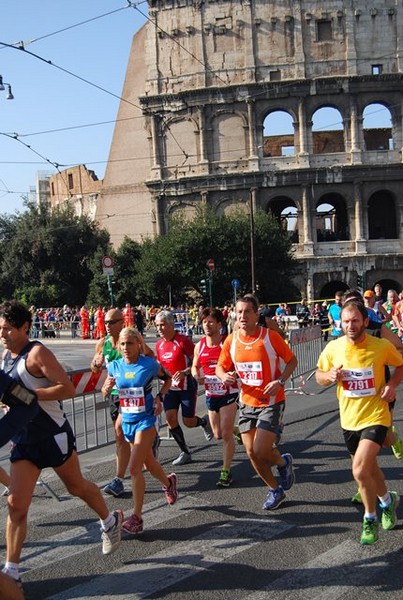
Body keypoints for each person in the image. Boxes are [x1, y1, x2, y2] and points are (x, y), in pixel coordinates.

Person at [0, 301, 123, 591]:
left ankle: (109, 521)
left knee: (76, 486)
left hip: (53, 434)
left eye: (7, 328)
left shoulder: (37, 352)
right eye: (0, 328)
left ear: (24, 328)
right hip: (25, 439)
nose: (2, 333)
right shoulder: (6, 356)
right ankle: (12, 570)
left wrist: (29, 396)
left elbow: (66, 388)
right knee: (16, 504)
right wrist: (11, 406)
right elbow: (11, 393)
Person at [316, 299, 403, 545]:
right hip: (349, 419)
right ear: (340, 323)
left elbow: (400, 364)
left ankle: (370, 517)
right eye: (346, 321)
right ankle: (388, 501)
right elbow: (320, 375)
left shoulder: (381, 346)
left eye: (355, 320)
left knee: (359, 470)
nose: (350, 325)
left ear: (365, 321)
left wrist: (392, 384)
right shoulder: (333, 348)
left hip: (376, 415)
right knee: (369, 470)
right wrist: (329, 376)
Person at [216, 295, 298, 510]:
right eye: (239, 311)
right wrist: (223, 376)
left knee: (261, 449)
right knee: (251, 452)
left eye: (247, 312)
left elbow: (292, 361)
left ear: (256, 314)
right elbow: (220, 367)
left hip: (271, 401)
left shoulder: (270, 337)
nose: (242, 316)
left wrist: (279, 382)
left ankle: (282, 462)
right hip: (246, 402)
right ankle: (275, 489)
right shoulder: (231, 340)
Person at [102, 327, 177, 535]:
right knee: (149, 463)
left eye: (130, 343)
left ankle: (137, 517)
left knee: (135, 468)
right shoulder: (114, 366)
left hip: (146, 420)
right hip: (128, 420)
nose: (126, 348)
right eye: (123, 344)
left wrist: (161, 397)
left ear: (139, 345)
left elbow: (168, 378)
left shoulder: (149, 365)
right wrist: (106, 388)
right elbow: (105, 390)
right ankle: (168, 482)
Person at [90, 308, 154, 497]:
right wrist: (96, 363)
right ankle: (142, 463)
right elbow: (94, 368)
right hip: (116, 395)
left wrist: (137, 372)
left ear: (122, 322)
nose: (107, 326)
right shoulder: (103, 343)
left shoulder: (133, 339)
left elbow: (150, 358)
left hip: (134, 394)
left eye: (111, 322)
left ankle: (120, 478)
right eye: (105, 322)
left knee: (122, 432)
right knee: (122, 437)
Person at [155, 310, 212, 466]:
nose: (159, 328)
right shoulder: (159, 344)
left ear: (171, 325)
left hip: (186, 386)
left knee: (188, 421)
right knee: (171, 419)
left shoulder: (183, 341)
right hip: (169, 389)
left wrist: (185, 372)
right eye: (157, 325)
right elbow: (160, 366)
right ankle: (185, 452)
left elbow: (197, 362)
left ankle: (203, 422)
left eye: (163, 325)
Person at [191, 308, 239, 487]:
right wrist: (196, 375)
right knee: (218, 434)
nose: (207, 325)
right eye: (204, 322)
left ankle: (226, 473)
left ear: (219, 324)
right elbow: (194, 366)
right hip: (211, 393)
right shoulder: (200, 345)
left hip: (228, 392)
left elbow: (239, 364)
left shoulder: (227, 344)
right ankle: (236, 430)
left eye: (211, 321)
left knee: (225, 435)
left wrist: (230, 374)